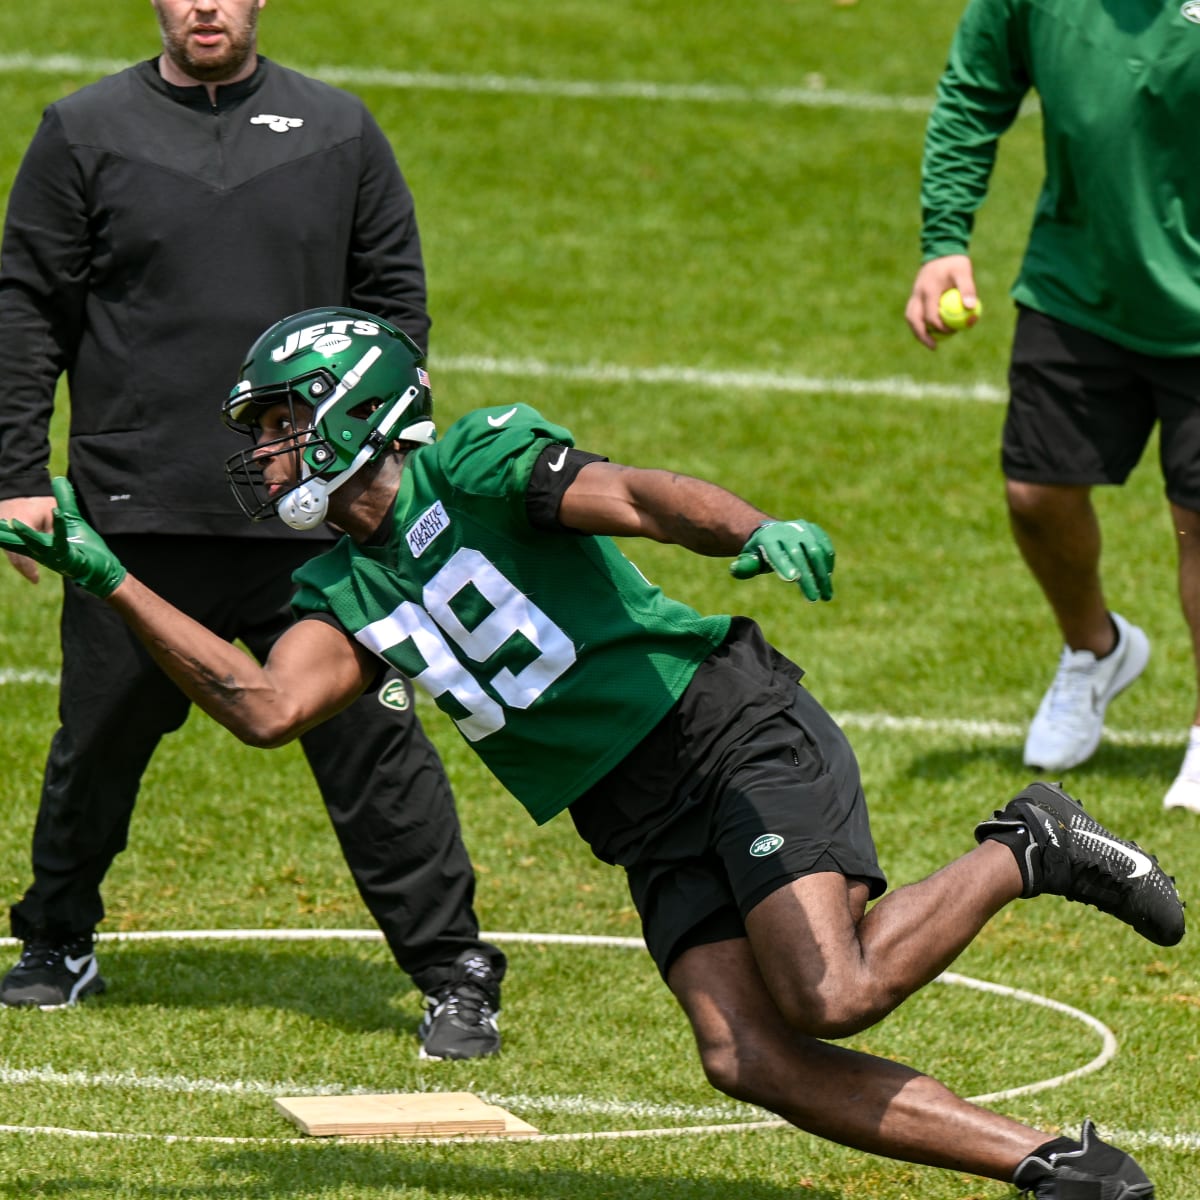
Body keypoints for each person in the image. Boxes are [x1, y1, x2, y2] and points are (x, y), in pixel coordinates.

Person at [2, 306, 1183, 1198]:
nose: (265, 454)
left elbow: (638, 498)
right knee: (743, 1054)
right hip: (633, 814)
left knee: (832, 989)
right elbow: (264, 707)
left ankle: (1028, 845)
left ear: (352, 410)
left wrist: (751, 527)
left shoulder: (474, 462)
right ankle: (1053, 1167)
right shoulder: (339, 581)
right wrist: (113, 582)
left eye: (280, 424)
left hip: (717, 725)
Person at [0, 0, 506, 1060]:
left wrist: (372, 472)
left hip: (315, 527)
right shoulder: (84, 131)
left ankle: (455, 971)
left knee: (379, 745)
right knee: (96, 747)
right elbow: (25, 306)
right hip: (138, 515)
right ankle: (56, 941)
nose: (205, 8)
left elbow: (394, 312)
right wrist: (13, 476)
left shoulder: (339, 131)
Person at [904, 0, 1200, 814]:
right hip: (1078, 285)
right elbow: (974, 91)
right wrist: (945, 240)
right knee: (1036, 497)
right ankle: (1095, 649)